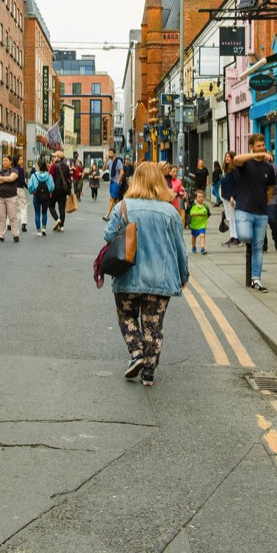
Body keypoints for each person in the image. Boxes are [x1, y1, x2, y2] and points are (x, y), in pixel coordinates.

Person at [103, 161, 191, 387]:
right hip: (160, 279)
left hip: (127, 276)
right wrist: (183, 275)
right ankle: (149, 372)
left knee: (127, 316)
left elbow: (108, 235)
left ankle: (137, 353)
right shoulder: (170, 211)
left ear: (136, 180)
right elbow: (180, 248)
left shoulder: (123, 206)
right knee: (153, 325)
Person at [233, 134, 277, 292]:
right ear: (252, 147)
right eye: (258, 146)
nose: (262, 148)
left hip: (261, 213)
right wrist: (256, 155)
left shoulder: (268, 168)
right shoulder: (246, 163)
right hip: (243, 210)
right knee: (245, 237)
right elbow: (236, 158)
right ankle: (247, 245)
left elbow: (271, 188)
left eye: (263, 145)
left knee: (259, 248)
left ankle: (256, 279)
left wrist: (264, 201)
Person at [0, 154, 22, 242]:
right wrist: (4, 179)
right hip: (0, 197)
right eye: (3, 160)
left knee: (12, 216)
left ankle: (15, 234)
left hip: (11, 197)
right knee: (1, 217)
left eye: (6, 160)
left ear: (10, 162)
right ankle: (1, 235)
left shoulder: (14, 170)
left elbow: (11, 179)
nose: (4, 162)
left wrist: (0, 179)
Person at [27, 159, 55, 236]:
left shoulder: (34, 176)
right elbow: (52, 187)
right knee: (44, 212)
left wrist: (32, 191)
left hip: (36, 196)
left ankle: (38, 230)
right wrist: (49, 191)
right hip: (46, 197)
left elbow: (30, 187)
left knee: (37, 213)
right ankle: (44, 228)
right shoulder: (49, 176)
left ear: (39, 166)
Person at [219, 151, 241, 247]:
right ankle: (232, 236)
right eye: (226, 157)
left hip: (231, 197)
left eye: (229, 157)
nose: (227, 158)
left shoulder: (235, 171)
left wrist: (233, 196)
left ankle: (237, 238)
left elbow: (237, 185)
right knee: (229, 218)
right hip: (225, 196)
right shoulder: (226, 170)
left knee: (234, 217)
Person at [49, 150, 72, 232]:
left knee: (51, 206)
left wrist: (50, 191)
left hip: (55, 189)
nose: (54, 158)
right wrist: (69, 192)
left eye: (55, 156)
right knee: (61, 208)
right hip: (64, 190)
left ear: (58, 157)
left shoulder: (53, 166)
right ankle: (61, 226)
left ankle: (57, 219)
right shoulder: (66, 167)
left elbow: (50, 179)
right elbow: (69, 179)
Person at [104, 148, 124, 220]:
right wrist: (105, 161)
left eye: (111, 153)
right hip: (111, 182)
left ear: (114, 154)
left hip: (116, 182)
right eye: (109, 153)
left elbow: (122, 172)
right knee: (116, 201)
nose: (109, 154)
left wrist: (118, 181)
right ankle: (121, 215)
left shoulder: (118, 161)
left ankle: (107, 215)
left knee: (112, 198)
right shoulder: (109, 162)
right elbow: (103, 169)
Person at [188, 190, 210, 254]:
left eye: (202, 197)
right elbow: (192, 213)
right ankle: (193, 247)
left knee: (202, 235)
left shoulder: (205, 206)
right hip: (194, 225)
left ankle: (202, 248)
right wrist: (197, 214)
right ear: (196, 198)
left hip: (202, 225)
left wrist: (198, 214)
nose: (201, 198)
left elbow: (206, 213)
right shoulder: (193, 206)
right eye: (199, 197)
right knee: (194, 237)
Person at [14, 156, 29, 232]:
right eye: (20, 159)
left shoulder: (12, 169)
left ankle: (9, 224)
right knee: (23, 206)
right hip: (20, 189)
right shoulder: (20, 169)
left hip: (13, 189)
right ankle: (23, 223)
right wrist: (28, 187)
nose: (22, 160)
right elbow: (23, 181)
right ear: (17, 161)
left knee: (13, 206)